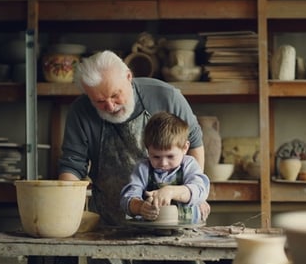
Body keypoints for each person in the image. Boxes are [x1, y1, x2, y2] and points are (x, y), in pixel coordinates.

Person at [57, 50, 210, 226]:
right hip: (110, 215)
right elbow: (72, 165)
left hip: (175, 218)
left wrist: (192, 195)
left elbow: (195, 143)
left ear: (129, 77)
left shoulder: (167, 97)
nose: (110, 106)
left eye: (115, 95)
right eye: (99, 101)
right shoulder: (80, 111)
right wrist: (66, 212)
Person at [120, 111, 209, 223]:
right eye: (156, 156)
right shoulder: (143, 168)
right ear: (148, 150)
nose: (163, 163)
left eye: (170, 156)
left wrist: (171, 191)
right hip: (151, 233)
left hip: (188, 231)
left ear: (185, 148)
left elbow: (200, 190)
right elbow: (127, 198)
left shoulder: (189, 165)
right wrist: (140, 207)